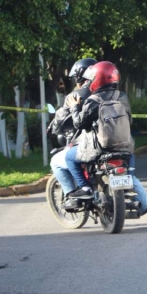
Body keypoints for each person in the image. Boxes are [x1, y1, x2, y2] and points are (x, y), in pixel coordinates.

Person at [64, 61, 147, 227]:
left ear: (96, 79)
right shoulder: (122, 97)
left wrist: (75, 107)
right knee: (130, 178)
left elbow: (79, 124)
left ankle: (86, 188)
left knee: (69, 157)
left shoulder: (93, 100)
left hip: (100, 149)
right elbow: (129, 119)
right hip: (125, 147)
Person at [48, 58, 97, 196]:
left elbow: (62, 118)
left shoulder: (76, 95)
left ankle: (73, 194)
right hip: (119, 143)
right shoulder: (114, 94)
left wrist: (54, 126)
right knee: (132, 179)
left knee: (57, 161)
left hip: (89, 144)